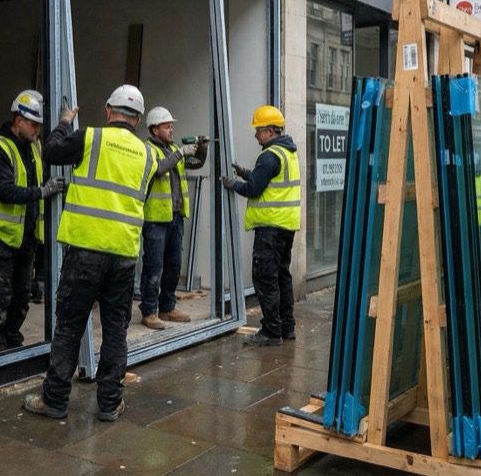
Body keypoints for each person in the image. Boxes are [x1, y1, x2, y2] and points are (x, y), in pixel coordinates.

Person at [23, 85, 184, 422]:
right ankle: (109, 404)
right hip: (124, 256)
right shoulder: (148, 154)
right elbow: (161, 168)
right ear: (138, 120)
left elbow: (50, 151)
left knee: (69, 327)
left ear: (109, 111)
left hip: (84, 251)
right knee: (115, 331)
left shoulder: (90, 137)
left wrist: (66, 122)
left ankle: (54, 401)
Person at [0, 90, 66, 356]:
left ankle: (12, 342)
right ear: (18, 120)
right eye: (34, 124)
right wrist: (42, 192)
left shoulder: (34, 146)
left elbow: (56, 150)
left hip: (24, 239)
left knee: (22, 298)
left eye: (40, 125)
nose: (38, 130)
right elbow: (5, 191)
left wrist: (65, 123)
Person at [220, 105, 300, 346]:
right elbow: (265, 179)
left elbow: (255, 189)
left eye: (258, 130)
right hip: (285, 226)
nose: (256, 134)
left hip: (270, 228)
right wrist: (246, 172)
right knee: (282, 277)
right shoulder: (288, 152)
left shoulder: (269, 156)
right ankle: (287, 328)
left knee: (265, 278)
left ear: (271, 131)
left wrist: (232, 184)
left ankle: (270, 331)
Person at [139, 106, 208, 330]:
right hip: (156, 219)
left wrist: (201, 150)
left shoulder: (173, 149)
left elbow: (196, 164)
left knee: (173, 265)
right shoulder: (147, 150)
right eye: (167, 126)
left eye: (171, 126)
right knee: (154, 266)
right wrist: (181, 152)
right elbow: (158, 170)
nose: (171, 129)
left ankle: (167, 307)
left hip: (175, 217)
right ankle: (149, 311)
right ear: (154, 129)